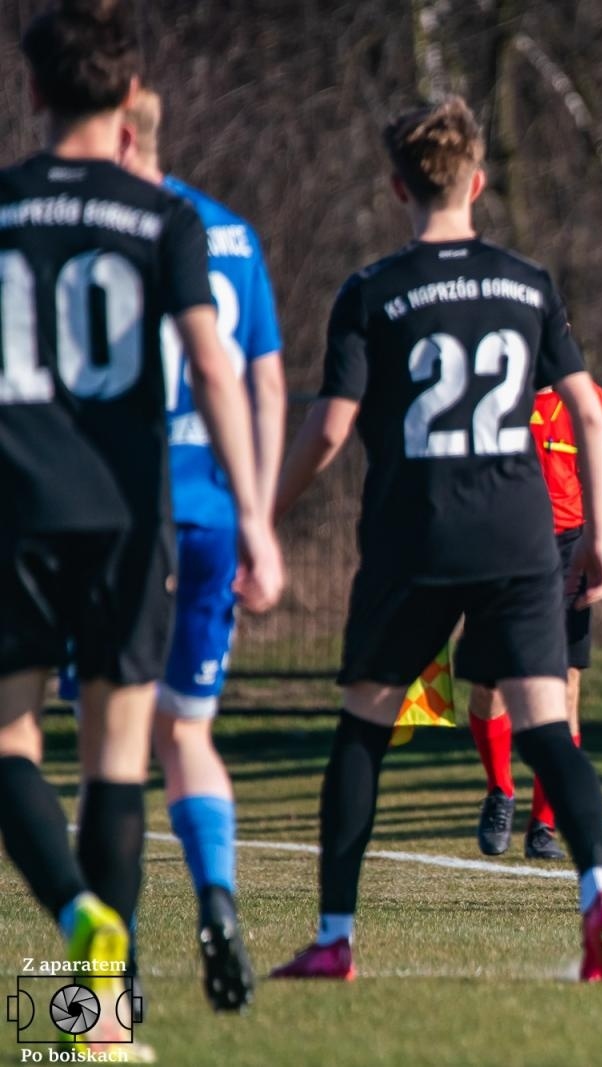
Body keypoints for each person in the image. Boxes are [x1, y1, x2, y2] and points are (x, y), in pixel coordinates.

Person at [269, 96, 602, 982]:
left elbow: (325, 431)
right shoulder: (527, 283)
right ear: (478, 181)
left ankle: (334, 937)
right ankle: (600, 895)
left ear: (398, 184)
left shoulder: (371, 292)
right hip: (519, 536)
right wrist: (598, 535)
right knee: (550, 728)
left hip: (415, 535)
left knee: (362, 729)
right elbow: (587, 412)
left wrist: (260, 515)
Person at [0, 0, 282, 1053]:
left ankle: (79, 919)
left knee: (10, 741)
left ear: (32, 91)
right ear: (128, 101)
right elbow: (217, 366)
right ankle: (97, 1030)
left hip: (16, 511)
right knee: (117, 765)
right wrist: (255, 514)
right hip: (131, 517)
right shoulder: (166, 219)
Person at [118, 86, 285, 1010]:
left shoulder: (98, 226)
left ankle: (107, 977)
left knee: (111, 743)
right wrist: (257, 511)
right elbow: (262, 386)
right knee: (188, 730)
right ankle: (215, 900)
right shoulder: (229, 231)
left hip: (117, 514)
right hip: (217, 512)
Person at [469, 381, 602, 860]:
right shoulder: (493, 388)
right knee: (490, 682)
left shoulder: (589, 400)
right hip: (500, 545)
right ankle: (499, 791)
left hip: (569, 548)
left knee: (565, 681)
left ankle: (544, 825)